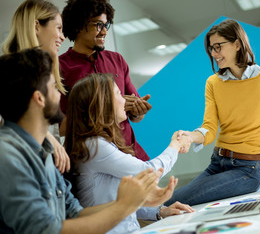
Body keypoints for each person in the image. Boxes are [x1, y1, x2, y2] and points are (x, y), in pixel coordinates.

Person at [0, 48, 178, 234]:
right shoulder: (8, 155)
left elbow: (74, 213)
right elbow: (46, 230)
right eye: (54, 87)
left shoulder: (43, 152)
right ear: (39, 98)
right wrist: (124, 206)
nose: (61, 96)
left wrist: (130, 203)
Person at [165, 19, 260, 206]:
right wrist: (190, 137)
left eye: (218, 47)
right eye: (211, 49)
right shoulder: (213, 83)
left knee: (171, 202)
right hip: (218, 163)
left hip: (246, 170)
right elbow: (209, 128)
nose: (214, 53)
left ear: (237, 44)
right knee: (173, 203)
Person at [64, 73, 195, 233]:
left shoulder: (100, 143)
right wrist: (176, 145)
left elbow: (120, 201)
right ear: (104, 103)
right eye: (119, 93)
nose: (126, 100)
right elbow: (148, 172)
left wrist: (160, 211)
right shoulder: (94, 146)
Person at [59, 0, 151, 162]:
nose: (105, 31)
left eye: (106, 24)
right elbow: (60, 128)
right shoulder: (60, 68)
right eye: (98, 25)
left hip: (133, 155)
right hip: (96, 162)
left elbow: (135, 117)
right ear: (79, 25)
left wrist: (138, 111)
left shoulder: (117, 60)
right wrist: (104, 110)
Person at [2, 0, 70, 174]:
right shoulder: (7, 72)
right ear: (36, 26)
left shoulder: (49, 72)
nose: (63, 36)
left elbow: (55, 127)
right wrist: (48, 138)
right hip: (22, 167)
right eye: (59, 28)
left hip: (49, 168)